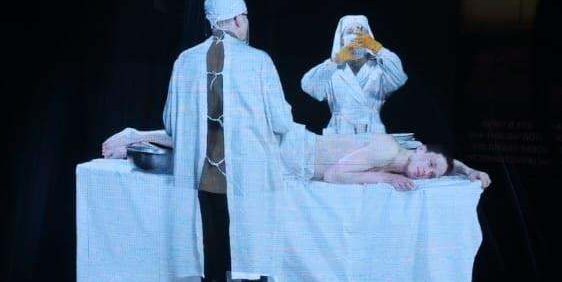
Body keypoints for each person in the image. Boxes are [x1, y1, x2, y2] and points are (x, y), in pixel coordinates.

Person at [157, 0, 297, 282]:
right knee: (253, 252)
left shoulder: (185, 61)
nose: (246, 23)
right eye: (245, 17)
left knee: (212, 257)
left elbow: (170, 122)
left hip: (203, 178)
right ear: (236, 19)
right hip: (247, 178)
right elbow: (282, 122)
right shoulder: (259, 61)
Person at [104, 126, 492, 191]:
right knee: (212, 144)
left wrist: (466, 169)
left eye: (431, 176)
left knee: (213, 146)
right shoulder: (389, 151)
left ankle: (141, 140)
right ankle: (136, 136)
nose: (425, 174)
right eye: (429, 165)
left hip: (293, 154)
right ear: (421, 150)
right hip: (292, 152)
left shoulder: (407, 152)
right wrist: (385, 179)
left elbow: (443, 160)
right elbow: (336, 176)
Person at [300, 15, 407, 135]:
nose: (355, 36)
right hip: (340, 132)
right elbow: (308, 85)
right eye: (349, 32)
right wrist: (335, 61)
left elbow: (400, 77)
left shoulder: (379, 69)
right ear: (342, 39)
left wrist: (378, 49)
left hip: (372, 133)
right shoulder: (332, 70)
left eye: (360, 32)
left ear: (369, 38)